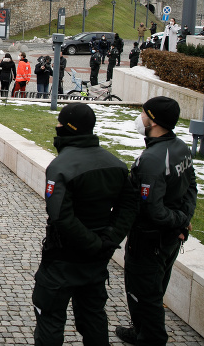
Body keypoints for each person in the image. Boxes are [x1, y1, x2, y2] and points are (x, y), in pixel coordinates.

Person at [32, 103, 137, 346]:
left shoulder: (60, 166)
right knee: (93, 316)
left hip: (62, 259)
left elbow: (60, 216)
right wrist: (108, 240)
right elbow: (129, 208)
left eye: (59, 123)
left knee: (49, 316)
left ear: (68, 128)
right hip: (97, 258)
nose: (56, 127)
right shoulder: (117, 165)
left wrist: (93, 243)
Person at [115, 97, 197, 346]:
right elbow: (191, 187)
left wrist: (180, 220)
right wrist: (184, 221)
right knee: (155, 286)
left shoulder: (152, 160)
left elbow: (153, 210)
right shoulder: (181, 146)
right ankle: (140, 330)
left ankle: (150, 338)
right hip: (169, 238)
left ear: (153, 120)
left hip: (149, 240)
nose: (139, 118)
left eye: (142, 113)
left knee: (144, 292)